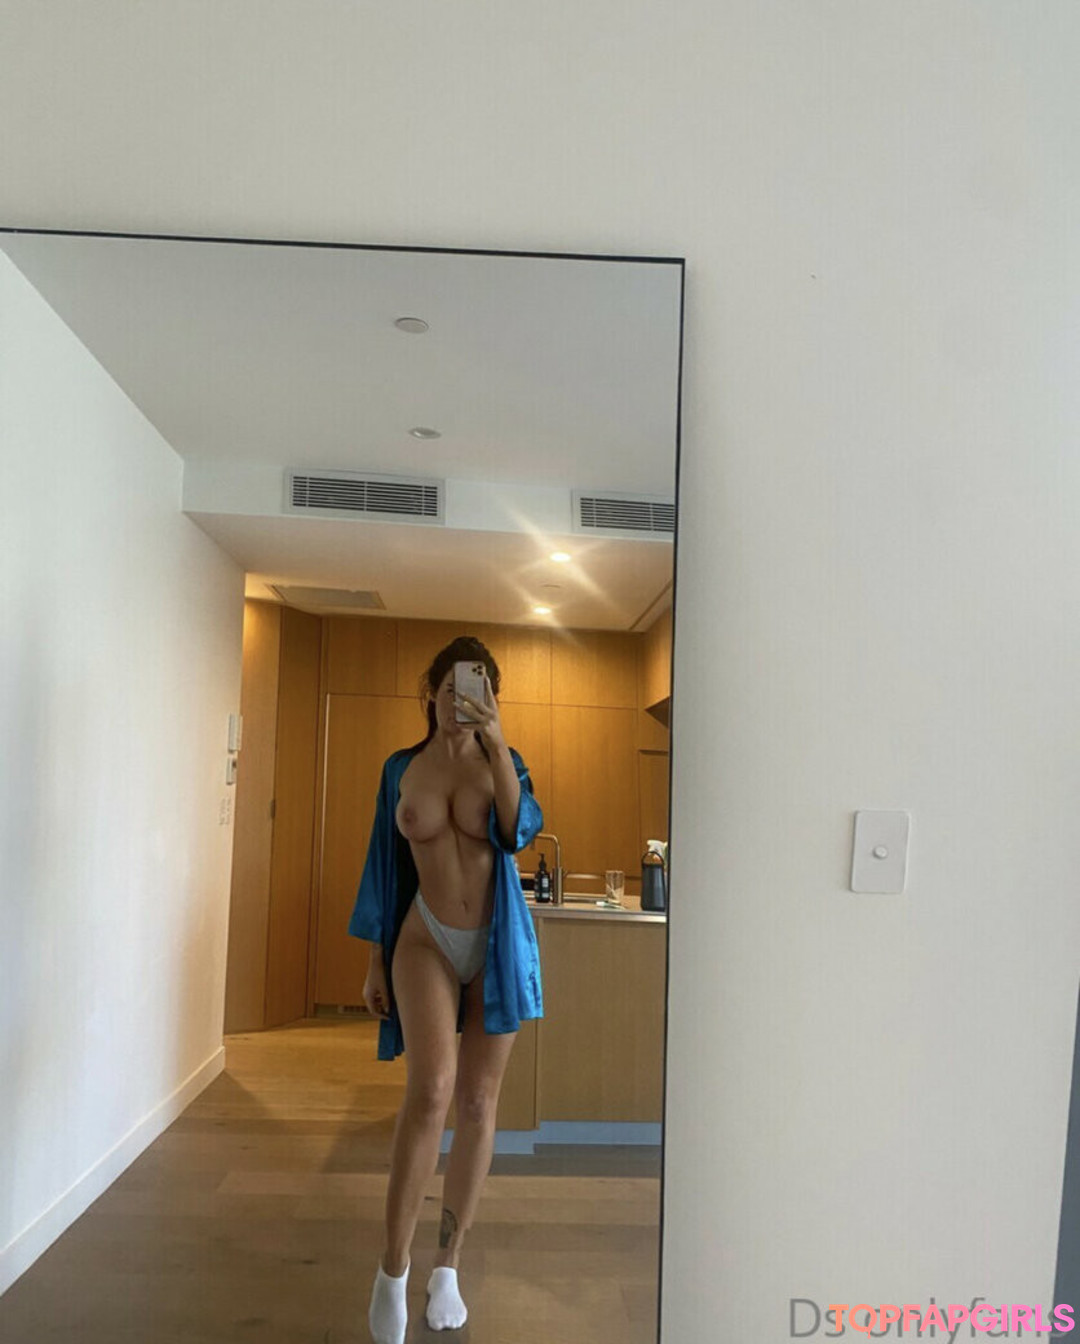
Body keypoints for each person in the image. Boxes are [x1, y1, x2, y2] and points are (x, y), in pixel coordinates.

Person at [347, 635, 545, 1344]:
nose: (461, 700)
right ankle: (392, 1269)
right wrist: (375, 961)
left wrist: (497, 743)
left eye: (478, 689)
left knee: (479, 1102)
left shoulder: (505, 763)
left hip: (494, 943)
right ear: (430, 690)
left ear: (492, 697)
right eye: (452, 687)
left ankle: (448, 1267)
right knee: (431, 1091)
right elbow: (382, 860)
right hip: (423, 937)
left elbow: (518, 831)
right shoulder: (401, 768)